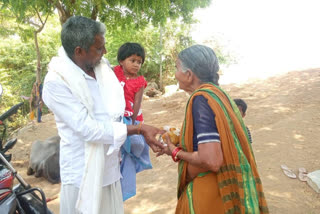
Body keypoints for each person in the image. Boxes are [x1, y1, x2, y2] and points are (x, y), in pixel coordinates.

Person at [42, 16, 164, 214]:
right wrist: (139, 129)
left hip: (110, 169)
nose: (105, 52)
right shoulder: (56, 82)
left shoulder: (102, 69)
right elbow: (88, 129)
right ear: (79, 51)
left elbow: (114, 115)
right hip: (82, 175)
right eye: (99, 48)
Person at [158, 45, 269, 213]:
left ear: (189, 75)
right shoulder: (221, 96)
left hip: (211, 195)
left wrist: (175, 152)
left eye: (176, 68)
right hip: (228, 191)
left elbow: (212, 160)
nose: (175, 74)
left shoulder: (201, 99)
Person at [113, 42, 151, 201]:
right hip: (114, 115)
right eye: (132, 60)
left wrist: (134, 124)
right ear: (121, 61)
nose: (136, 64)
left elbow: (137, 103)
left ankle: (131, 163)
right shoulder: (114, 72)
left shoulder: (140, 81)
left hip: (129, 117)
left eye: (139, 62)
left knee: (137, 144)